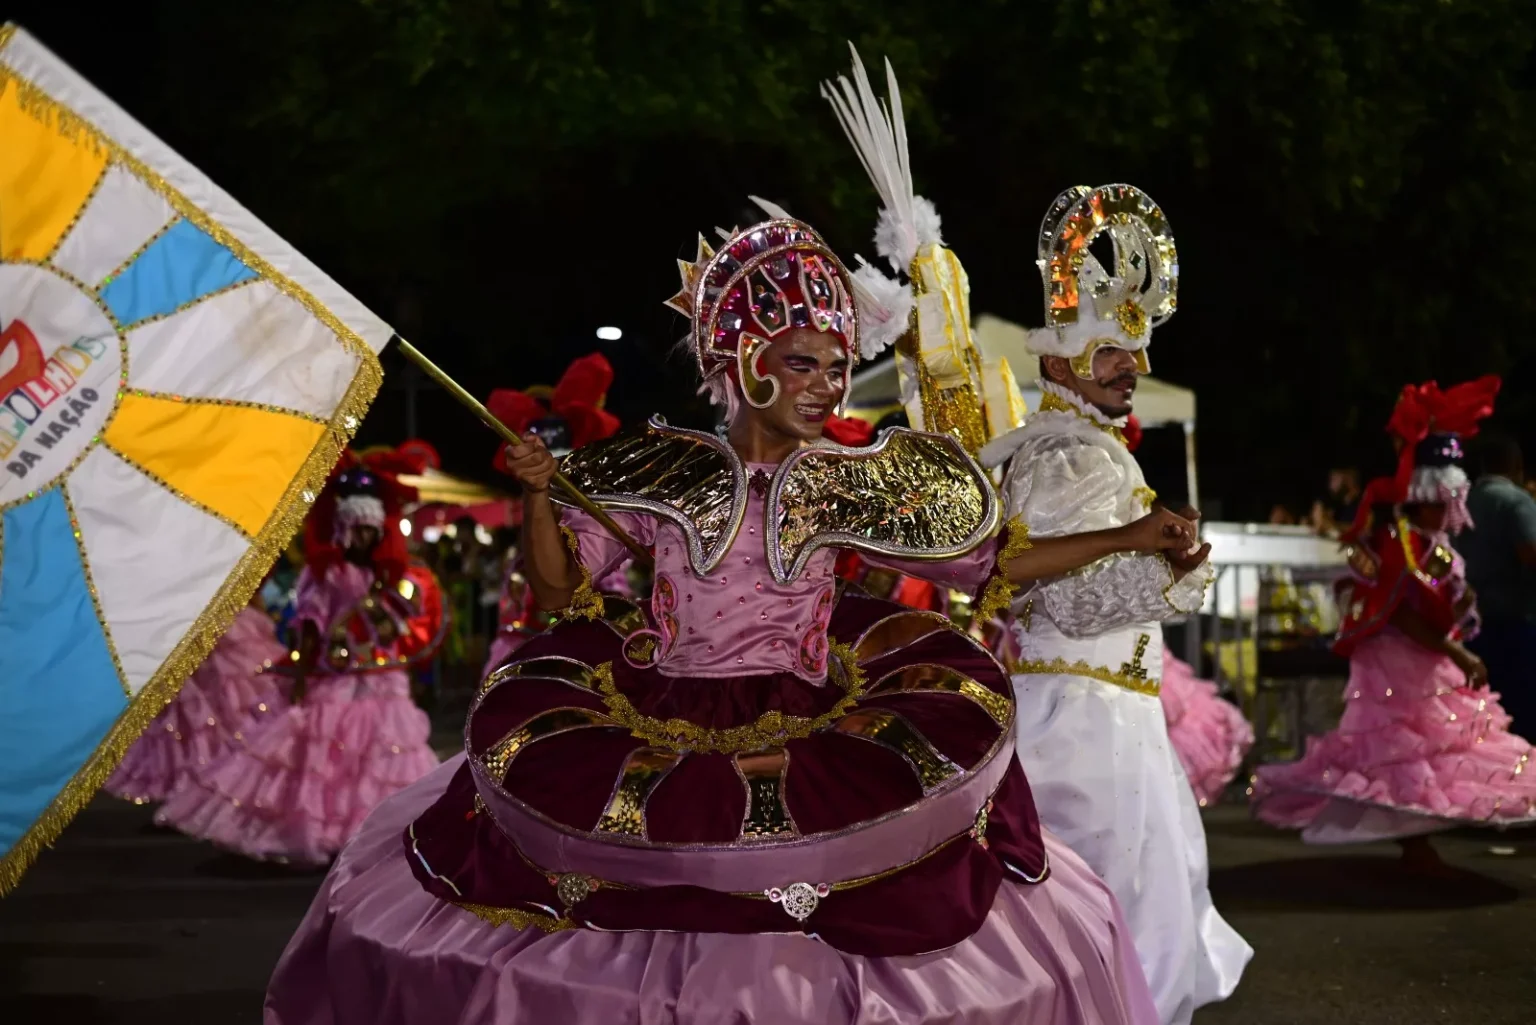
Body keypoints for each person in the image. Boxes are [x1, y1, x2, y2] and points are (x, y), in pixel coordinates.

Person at [259, 213, 1204, 1025]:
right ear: (743, 360)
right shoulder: (659, 471)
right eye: (804, 363)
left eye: (836, 367)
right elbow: (555, 593)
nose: (827, 387)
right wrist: (545, 497)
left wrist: (1133, 532)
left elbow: (998, 564)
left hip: (807, 715)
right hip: (652, 709)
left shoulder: (850, 478)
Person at [978, 184, 1252, 1024]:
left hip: (1109, 714)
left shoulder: (1085, 450)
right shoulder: (1068, 456)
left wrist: (1169, 561)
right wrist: (1169, 562)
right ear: (1058, 363)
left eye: (1134, 351)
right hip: (1081, 720)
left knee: (1136, 908)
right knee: (1102, 903)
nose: (1130, 367)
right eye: (1109, 353)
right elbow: (1069, 600)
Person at [1251, 377, 1536, 868]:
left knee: (1431, 753)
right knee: (1404, 752)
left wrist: (1462, 611)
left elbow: (1444, 606)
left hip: (1428, 657)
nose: (1451, 510)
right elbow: (1399, 611)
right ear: (1424, 494)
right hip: (1399, 661)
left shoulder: (1433, 541)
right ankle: (1415, 847)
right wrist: (1456, 651)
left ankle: (1418, 845)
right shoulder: (1397, 540)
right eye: (1444, 500)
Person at [155, 448, 445, 864]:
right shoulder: (325, 572)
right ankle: (325, 835)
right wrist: (303, 673)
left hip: (380, 682)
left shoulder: (391, 576)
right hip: (333, 679)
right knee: (325, 761)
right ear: (341, 527)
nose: (361, 537)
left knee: (382, 757)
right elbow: (310, 624)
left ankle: (378, 834)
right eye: (354, 528)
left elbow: (401, 631)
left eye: (369, 529)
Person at [481, 353, 623, 676]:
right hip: (521, 666)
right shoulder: (518, 555)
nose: (551, 496)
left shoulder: (599, 541)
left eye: (557, 482)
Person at [104, 588, 288, 807]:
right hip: (189, 617)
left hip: (214, 618)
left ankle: (217, 778)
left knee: (222, 703)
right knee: (193, 710)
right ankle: (196, 783)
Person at [1460, 431, 1536, 732]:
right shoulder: (1516, 501)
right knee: (1521, 713)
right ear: (1516, 466)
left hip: (1468, 624)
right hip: (1514, 622)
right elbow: (1531, 553)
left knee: (1481, 714)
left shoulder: (1460, 502)